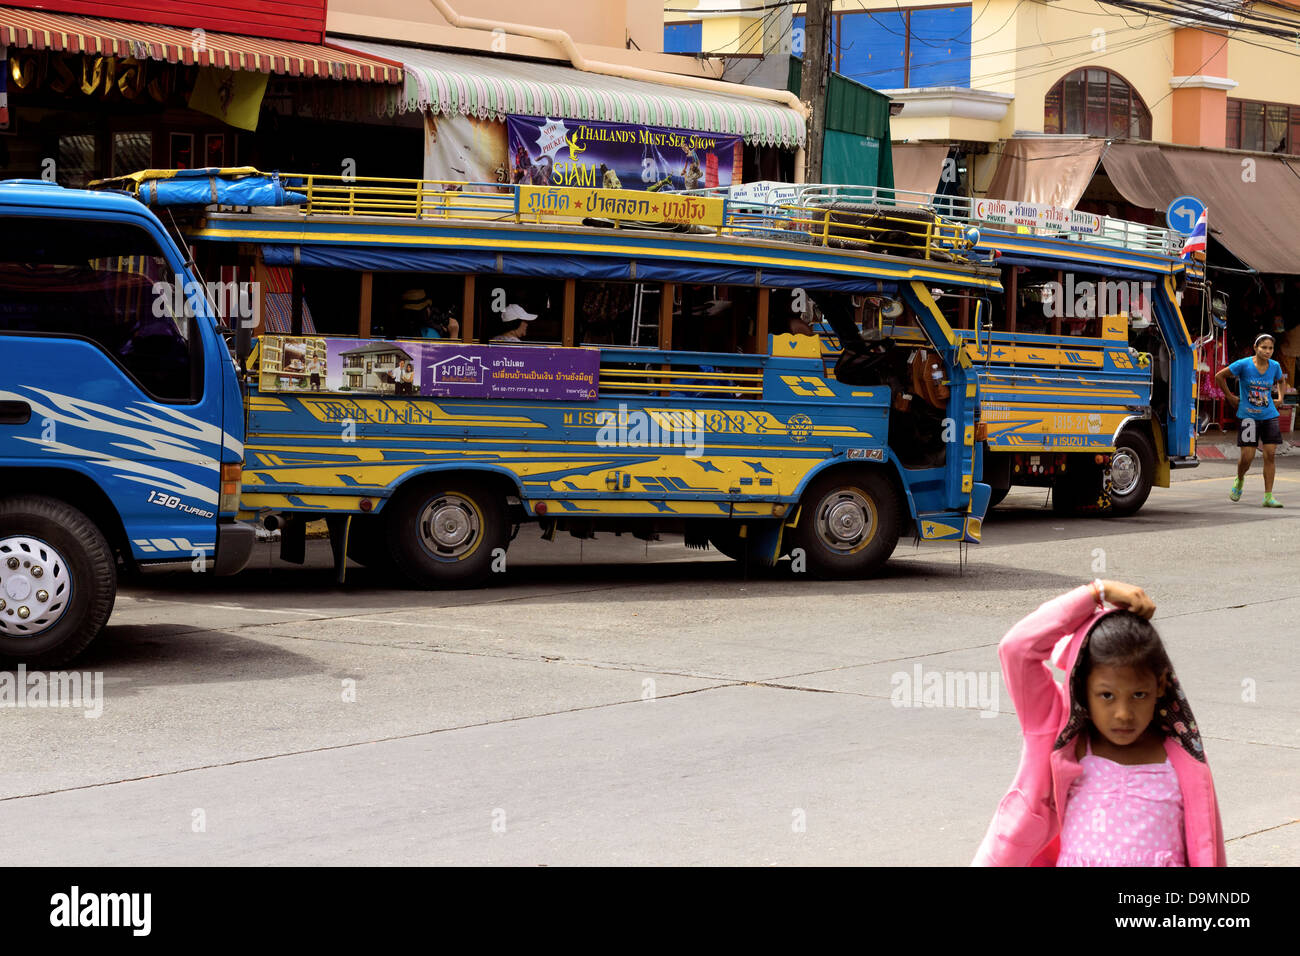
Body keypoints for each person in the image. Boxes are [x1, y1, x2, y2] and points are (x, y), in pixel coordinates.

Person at [973, 581, 1225, 867]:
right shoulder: (1062, 733)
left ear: (1161, 685)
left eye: (1138, 694)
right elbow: (1017, 649)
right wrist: (1095, 593)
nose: (1123, 714)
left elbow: (1208, 853)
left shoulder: (1182, 757)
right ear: (1082, 687)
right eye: (1106, 695)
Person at [1216, 333, 1286, 507]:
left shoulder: (1275, 366)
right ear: (1255, 348)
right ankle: (1239, 479)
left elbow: (1282, 381)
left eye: (1270, 348)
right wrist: (1230, 397)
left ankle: (1268, 496)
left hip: (1269, 415)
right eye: (1264, 347)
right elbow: (1219, 376)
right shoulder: (1243, 364)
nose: (1268, 351)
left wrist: (1280, 397)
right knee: (1247, 457)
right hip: (1248, 416)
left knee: (1270, 454)